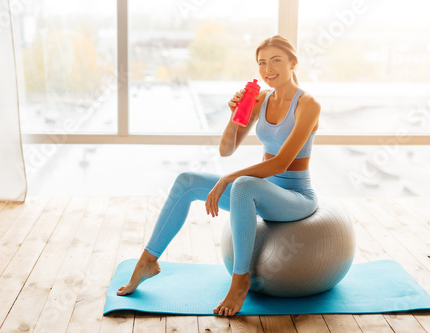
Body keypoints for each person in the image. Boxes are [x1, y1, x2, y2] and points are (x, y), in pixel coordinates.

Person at [116, 34, 321, 317]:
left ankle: (240, 281)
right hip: (262, 191)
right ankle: (147, 261)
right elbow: (226, 150)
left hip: (296, 197)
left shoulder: (308, 104)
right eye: (261, 63)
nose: (268, 69)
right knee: (187, 181)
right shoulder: (261, 99)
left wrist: (227, 179)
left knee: (243, 185)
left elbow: (282, 163)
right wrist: (235, 115)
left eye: (276, 61)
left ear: (293, 62)